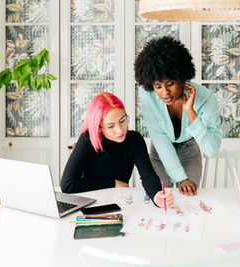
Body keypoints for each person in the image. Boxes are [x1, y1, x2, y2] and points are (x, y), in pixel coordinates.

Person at [134, 36, 222, 197]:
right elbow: (159, 137)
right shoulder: (147, 93)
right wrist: (180, 178)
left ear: (182, 77)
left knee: (189, 205)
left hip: (190, 153)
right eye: (158, 86)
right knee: (160, 203)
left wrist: (190, 112)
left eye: (170, 84)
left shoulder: (206, 99)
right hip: (160, 153)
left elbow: (212, 150)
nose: (165, 93)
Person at [61, 92, 173, 208]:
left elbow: (148, 175)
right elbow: (67, 184)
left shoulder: (134, 140)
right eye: (110, 126)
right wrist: (113, 183)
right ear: (99, 127)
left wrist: (156, 196)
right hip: (89, 202)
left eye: (122, 121)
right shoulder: (87, 139)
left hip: (118, 202)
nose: (120, 130)